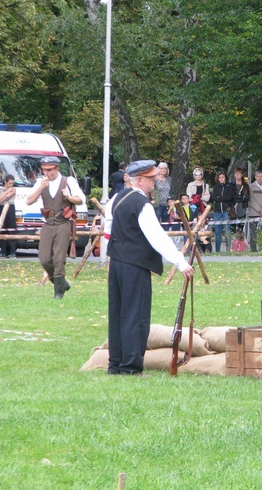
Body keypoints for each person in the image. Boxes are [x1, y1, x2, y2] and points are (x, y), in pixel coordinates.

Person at [107, 160, 194, 375]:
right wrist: (181, 262)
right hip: (134, 266)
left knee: (118, 314)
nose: (154, 182)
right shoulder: (142, 204)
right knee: (135, 316)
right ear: (139, 180)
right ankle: (131, 367)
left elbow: (108, 226)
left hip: (117, 263)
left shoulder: (117, 198)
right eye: (150, 178)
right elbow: (157, 238)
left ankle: (116, 364)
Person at [26, 156, 86, 299]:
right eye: (44, 170)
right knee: (44, 258)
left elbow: (81, 199)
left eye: (50, 170)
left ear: (57, 169)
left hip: (63, 223)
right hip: (48, 223)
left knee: (59, 258)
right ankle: (61, 283)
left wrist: (69, 197)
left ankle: (58, 292)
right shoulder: (41, 182)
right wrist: (41, 187)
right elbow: (28, 201)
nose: (47, 173)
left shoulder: (68, 181)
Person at [247, 169, 262, 252]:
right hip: (254, 213)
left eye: (261, 176)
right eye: (258, 176)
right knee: (254, 233)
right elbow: (251, 200)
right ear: (255, 177)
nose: (260, 178)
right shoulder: (250, 187)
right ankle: (253, 250)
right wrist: (259, 209)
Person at [210, 170, 234, 252]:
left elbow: (229, 197)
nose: (221, 179)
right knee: (217, 232)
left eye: (222, 177)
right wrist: (221, 198)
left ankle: (228, 249)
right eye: (219, 177)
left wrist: (220, 198)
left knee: (227, 231)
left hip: (226, 211)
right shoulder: (216, 187)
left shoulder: (229, 186)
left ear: (225, 178)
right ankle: (217, 250)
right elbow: (213, 197)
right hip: (217, 211)